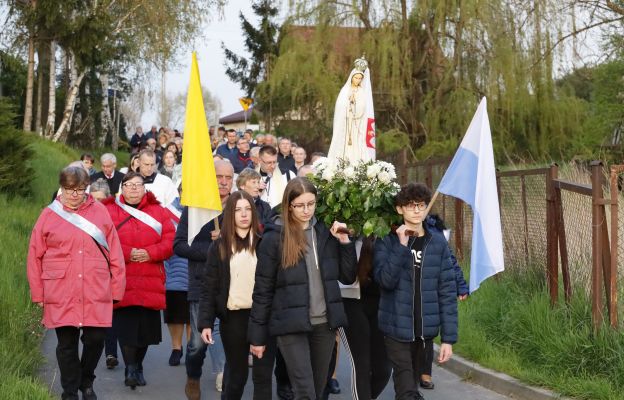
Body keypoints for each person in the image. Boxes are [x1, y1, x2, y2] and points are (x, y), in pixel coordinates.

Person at [248, 177, 357, 400]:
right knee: (305, 392)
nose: (307, 210)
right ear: (289, 205)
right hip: (290, 325)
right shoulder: (273, 238)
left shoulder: (324, 233)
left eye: (311, 204)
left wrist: (345, 243)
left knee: (317, 391)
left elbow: (347, 277)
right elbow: (263, 291)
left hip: (324, 325)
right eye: (300, 205)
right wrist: (257, 337)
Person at [27, 166, 125, 400]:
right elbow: (34, 256)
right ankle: (70, 390)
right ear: (62, 187)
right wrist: (38, 293)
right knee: (66, 344)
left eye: (80, 189)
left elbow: (115, 252)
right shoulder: (48, 215)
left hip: (95, 287)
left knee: (96, 339)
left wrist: (117, 288)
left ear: (86, 188)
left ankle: (86, 379)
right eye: (70, 189)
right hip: (60, 288)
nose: (74, 194)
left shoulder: (100, 212)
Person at [373, 182, 458, 400]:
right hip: (396, 328)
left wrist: (448, 339)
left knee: (411, 387)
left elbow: (447, 291)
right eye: (411, 206)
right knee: (406, 388)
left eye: (421, 205)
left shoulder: (437, 243)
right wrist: (402, 247)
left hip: (424, 331)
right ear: (399, 209)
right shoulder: (387, 241)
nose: (417, 210)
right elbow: (385, 281)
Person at [198, 191, 274, 399]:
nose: (243, 214)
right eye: (238, 210)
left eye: (248, 209)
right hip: (233, 319)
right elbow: (209, 287)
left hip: (263, 316)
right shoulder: (219, 246)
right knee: (237, 375)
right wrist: (205, 322)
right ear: (230, 214)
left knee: (263, 376)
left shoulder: (264, 243)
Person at [103, 172, 175, 390]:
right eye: (129, 185)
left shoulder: (159, 212)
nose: (134, 188)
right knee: (126, 330)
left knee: (146, 332)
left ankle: (137, 365)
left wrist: (150, 253)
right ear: (121, 188)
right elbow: (102, 240)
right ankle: (130, 368)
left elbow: (171, 241)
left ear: (145, 188)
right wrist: (128, 253)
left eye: (138, 185)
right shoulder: (109, 211)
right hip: (123, 280)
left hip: (151, 279)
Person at [175, 159, 232, 400]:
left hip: (233, 285)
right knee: (198, 342)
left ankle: (227, 378)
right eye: (219, 177)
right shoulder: (195, 207)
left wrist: (228, 238)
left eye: (228, 177)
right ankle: (193, 375)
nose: (224, 182)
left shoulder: (240, 205)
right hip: (202, 284)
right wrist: (212, 247)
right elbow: (178, 245)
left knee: (230, 338)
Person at [416, 214, 469, 390]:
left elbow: (450, 261)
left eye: (421, 205)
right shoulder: (399, 229)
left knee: (428, 332)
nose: (417, 209)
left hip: (431, 288)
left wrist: (460, 284)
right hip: (410, 290)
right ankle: (405, 370)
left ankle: (425, 373)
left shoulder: (435, 231)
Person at [328, 57, 375, 165]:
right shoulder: (345, 90)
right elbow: (340, 106)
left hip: (356, 125)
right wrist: (348, 104)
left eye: (360, 78)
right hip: (344, 124)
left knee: (356, 147)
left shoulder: (362, 92)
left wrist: (354, 104)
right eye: (356, 78)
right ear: (351, 77)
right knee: (342, 146)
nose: (357, 80)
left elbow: (361, 109)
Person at [164, 194, 191, 367]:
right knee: (174, 314)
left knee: (191, 315)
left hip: (196, 267)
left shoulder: (204, 212)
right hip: (173, 268)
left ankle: (191, 349)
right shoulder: (167, 213)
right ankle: (176, 347)